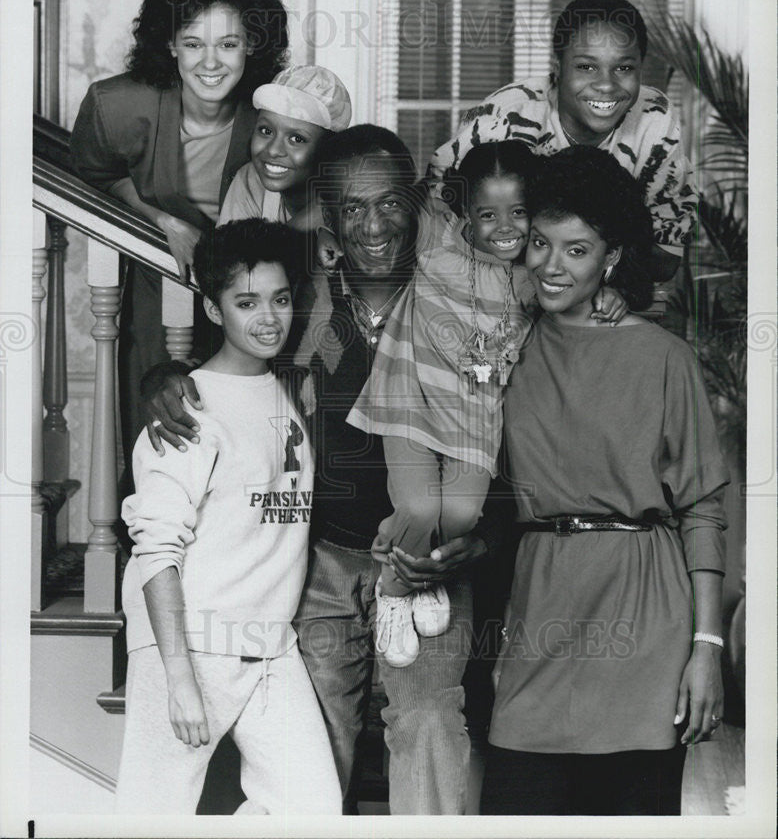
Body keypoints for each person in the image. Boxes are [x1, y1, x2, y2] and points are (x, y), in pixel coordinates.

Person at [143, 125, 513, 814]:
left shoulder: (465, 300)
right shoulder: (297, 299)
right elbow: (222, 360)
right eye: (351, 207)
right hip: (320, 563)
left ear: (417, 201)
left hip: (431, 561)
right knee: (312, 742)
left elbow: (507, 434)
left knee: (430, 723)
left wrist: (481, 537)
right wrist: (162, 377)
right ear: (330, 219)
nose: (374, 225)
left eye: (390, 203)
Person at [480, 146, 729, 816]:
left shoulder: (662, 358)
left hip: (646, 621)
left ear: (611, 258)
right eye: (539, 242)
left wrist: (707, 647)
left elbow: (703, 507)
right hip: (541, 606)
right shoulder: (506, 340)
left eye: (577, 250)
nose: (550, 265)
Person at [344, 141, 624, 669]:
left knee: (461, 513)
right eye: (487, 214)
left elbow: (586, 281)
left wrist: (610, 294)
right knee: (421, 506)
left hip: (475, 415)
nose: (504, 227)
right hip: (409, 397)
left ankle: (415, 566)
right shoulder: (434, 238)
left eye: (519, 213)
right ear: (463, 214)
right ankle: (394, 589)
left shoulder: (535, 274)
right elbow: (370, 196)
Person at [115, 219, 341, 815]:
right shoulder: (185, 409)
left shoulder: (290, 387)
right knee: (151, 812)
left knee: (313, 811)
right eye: (246, 303)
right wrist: (178, 678)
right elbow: (156, 551)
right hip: (189, 644)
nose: (268, 317)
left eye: (280, 299)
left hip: (270, 647)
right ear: (214, 311)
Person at [70, 0, 288, 462]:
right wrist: (164, 220)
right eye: (193, 43)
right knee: (165, 440)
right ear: (169, 44)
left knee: (249, 449)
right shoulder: (117, 105)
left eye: (228, 43)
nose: (210, 63)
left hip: (252, 294)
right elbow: (96, 172)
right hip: (160, 286)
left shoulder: (273, 111)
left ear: (251, 43)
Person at [428, 0, 697, 282]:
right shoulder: (504, 119)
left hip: (603, 297)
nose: (606, 85)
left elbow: (666, 256)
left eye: (624, 68)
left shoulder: (654, 118)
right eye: (586, 67)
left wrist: (580, 275)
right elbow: (435, 223)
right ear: (557, 66)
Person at [218, 64, 352, 229]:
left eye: (296, 138)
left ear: (328, 150)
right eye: (266, 131)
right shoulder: (250, 179)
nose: (273, 150)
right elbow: (224, 252)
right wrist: (304, 222)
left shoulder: (352, 200)